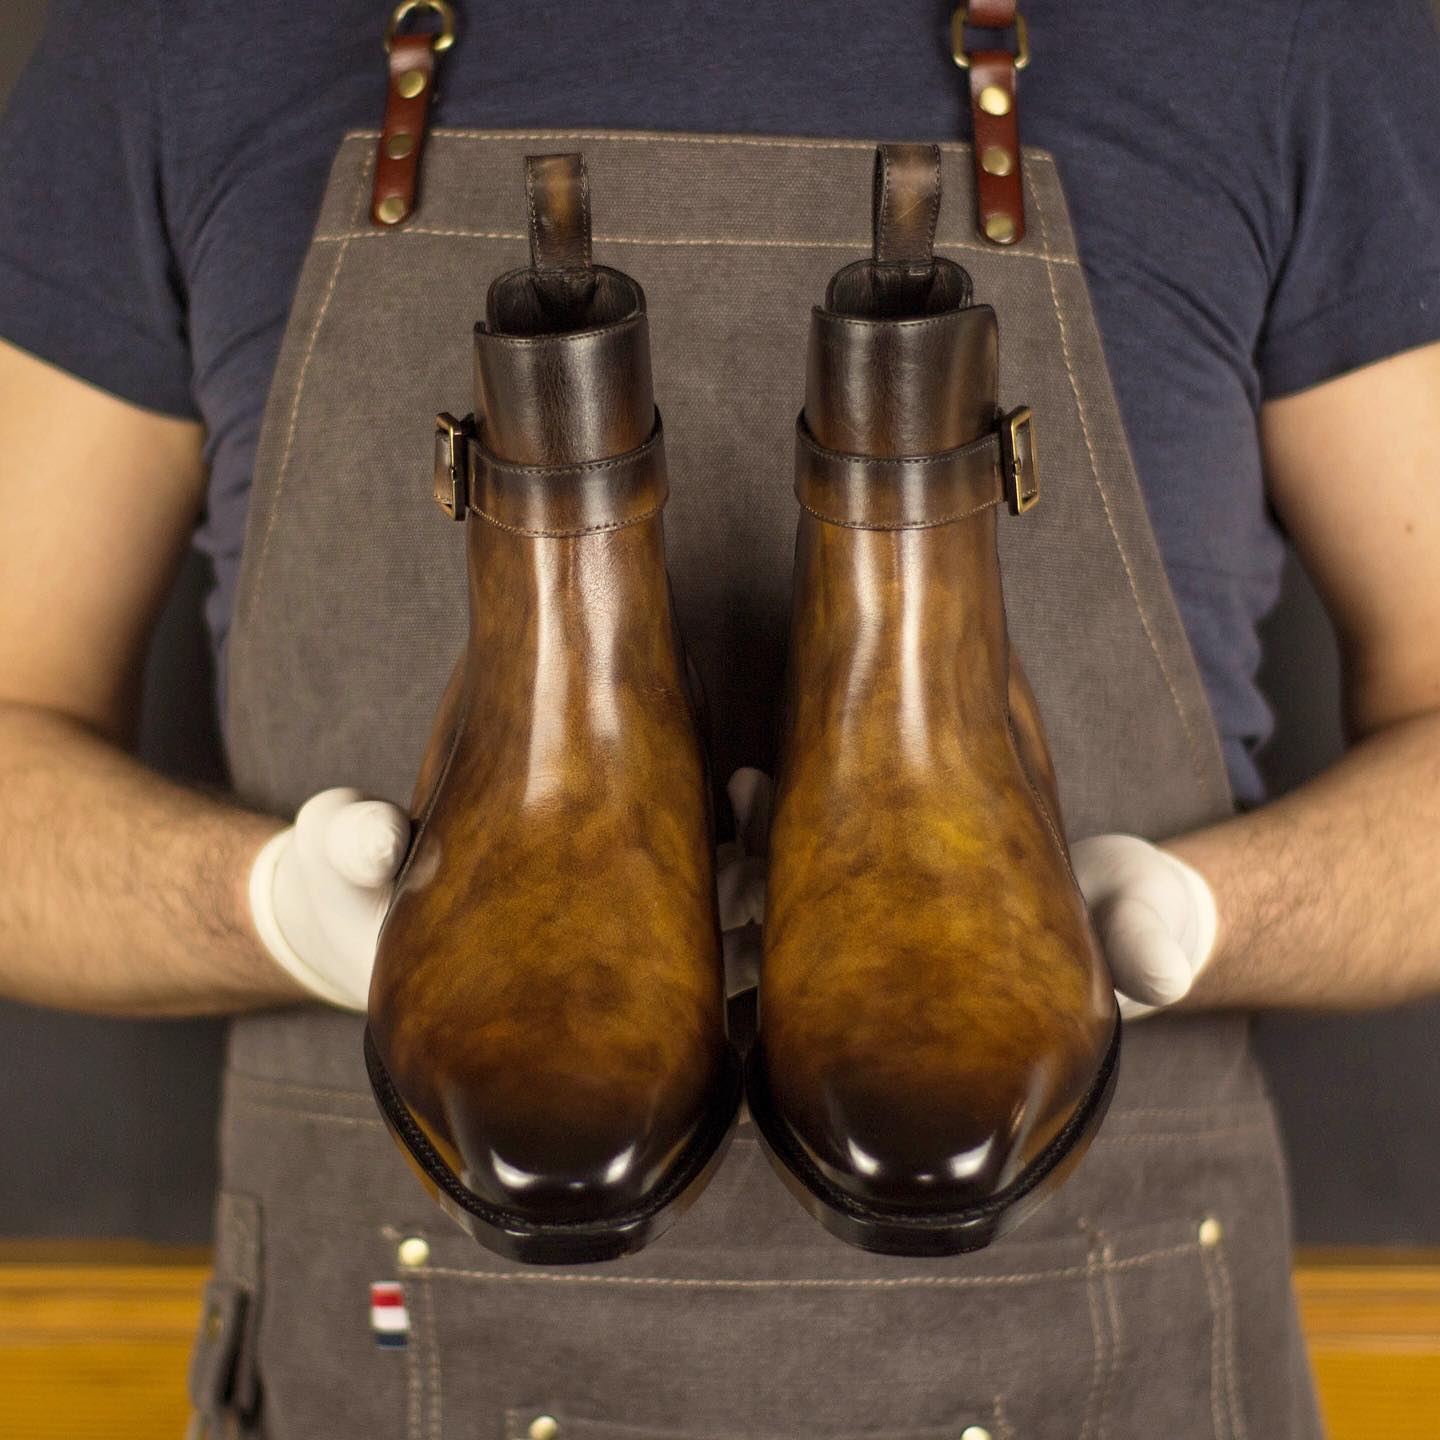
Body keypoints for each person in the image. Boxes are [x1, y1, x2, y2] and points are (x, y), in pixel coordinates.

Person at [1, 1, 1438, 1435]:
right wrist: (263, 906)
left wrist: (1202, 916)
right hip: (395, 1350)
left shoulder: (1280, 39)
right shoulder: (175, 42)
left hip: (1113, 1360)